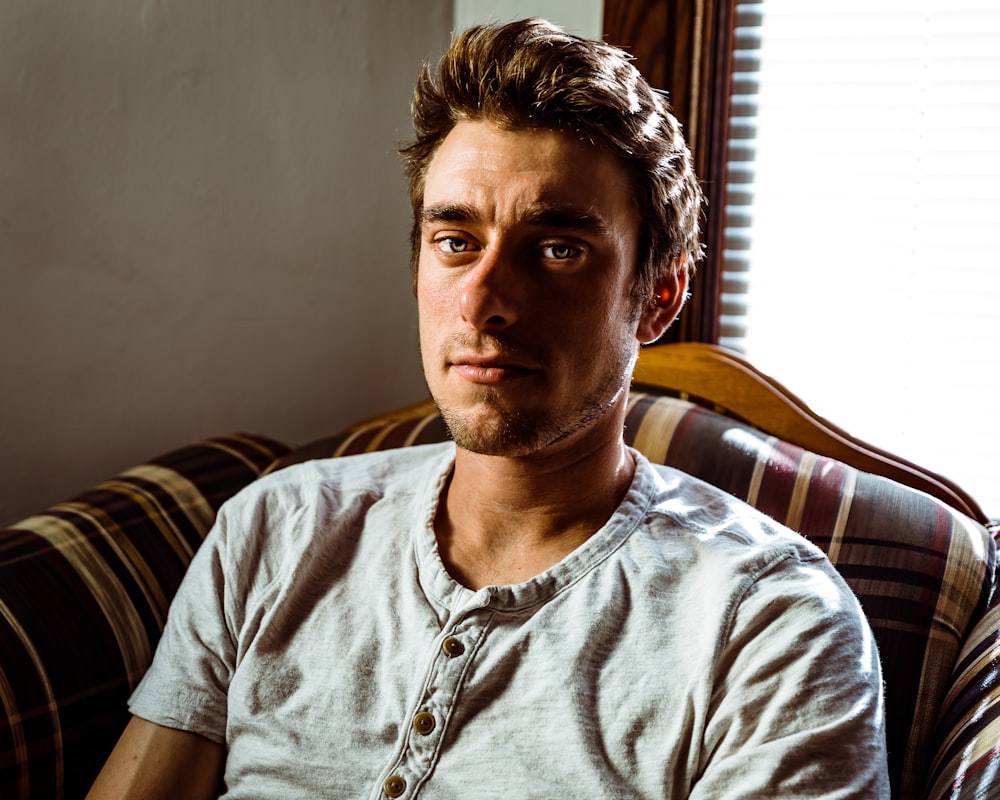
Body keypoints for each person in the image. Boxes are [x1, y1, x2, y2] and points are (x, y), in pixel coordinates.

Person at [89, 18, 889, 799]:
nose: (482, 300)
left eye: (558, 249)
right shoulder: (276, 528)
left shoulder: (772, 624)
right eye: (456, 241)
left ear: (659, 297)